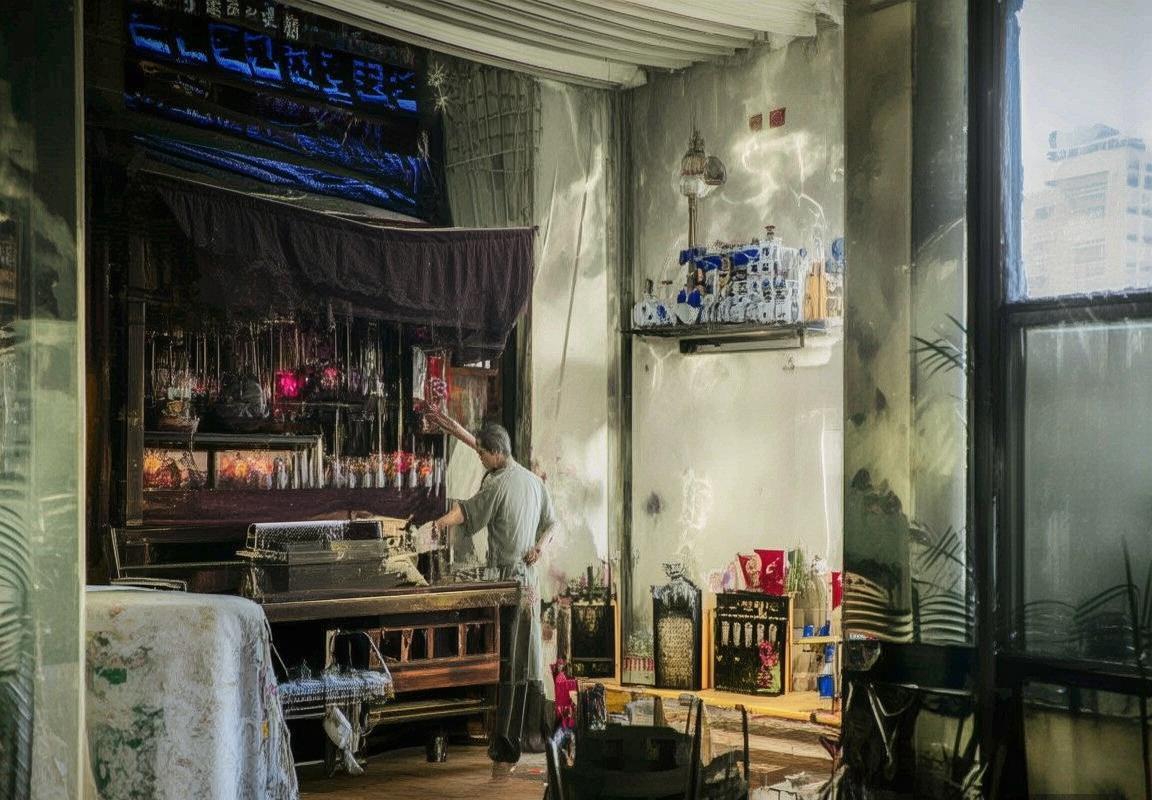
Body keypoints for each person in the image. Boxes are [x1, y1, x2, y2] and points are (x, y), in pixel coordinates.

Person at [429, 412, 556, 777]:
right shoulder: (532, 481)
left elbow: (468, 512)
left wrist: (438, 523)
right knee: (528, 656)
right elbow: (552, 522)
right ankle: (532, 735)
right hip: (530, 583)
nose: (480, 459)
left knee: (508, 660)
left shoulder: (498, 485)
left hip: (507, 583)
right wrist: (540, 546)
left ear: (496, 453)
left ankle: (506, 742)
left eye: (483, 454)